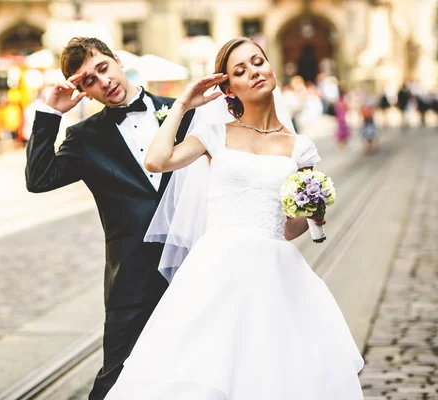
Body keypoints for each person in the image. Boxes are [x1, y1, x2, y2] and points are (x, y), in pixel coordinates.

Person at [104, 37, 364, 399]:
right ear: (229, 87)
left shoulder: (300, 147)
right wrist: (182, 104)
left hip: (276, 272)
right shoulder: (214, 133)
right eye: (240, 70)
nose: (254, 71)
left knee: (272, 373)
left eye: (258, 62)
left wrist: (314, 213)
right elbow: (157, 161)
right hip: (217, 269)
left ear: (271, 67)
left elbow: (290, 229)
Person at [25, 37, 195, 400]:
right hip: (131, 279)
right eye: (88, 81)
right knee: (115, 381)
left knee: (198, 372)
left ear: (117, 61)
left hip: (192, 267)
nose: (102, 82)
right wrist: (51, 112)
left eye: (102, 68)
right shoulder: (86, 137)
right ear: (82, 91)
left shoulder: (182, 113)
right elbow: (39, 179)